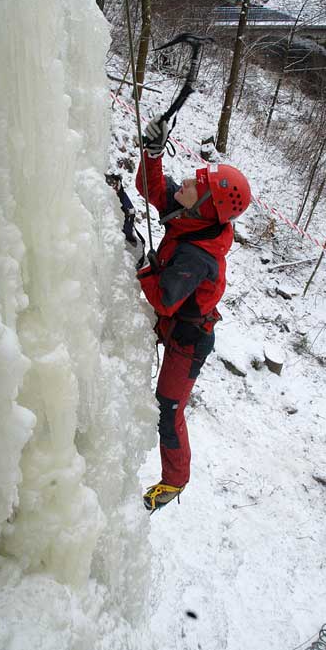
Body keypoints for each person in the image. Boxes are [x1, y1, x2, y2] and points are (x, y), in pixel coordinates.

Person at [136, 115, 251, 513]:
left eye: (192, 185)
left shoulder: (198, 255)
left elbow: (164, 299)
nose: (183, 183)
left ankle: (174, 482)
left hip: (188, 339)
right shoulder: (195, 214)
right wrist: (152, 153)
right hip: (174, 322)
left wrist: (141, 263)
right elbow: (150, 188)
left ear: (206, 204)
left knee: (168, 410)